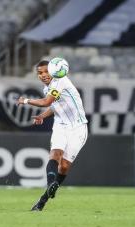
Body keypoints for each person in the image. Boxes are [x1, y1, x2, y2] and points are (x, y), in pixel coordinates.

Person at [17, 60, 88, 211]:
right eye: (39, 73)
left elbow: (46, 102)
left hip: (78, 128)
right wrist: (43, 116)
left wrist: (26, 100)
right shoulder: (47, 88)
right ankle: (48, 190)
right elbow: (54, 106)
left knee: (64, 166)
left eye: (45, 72)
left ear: (52, 71)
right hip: (60, 126)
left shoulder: (60, 81)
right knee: (55, 155)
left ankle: (44, 197)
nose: (42, 75)